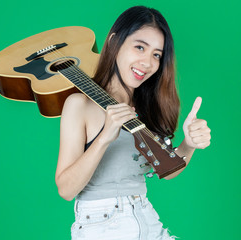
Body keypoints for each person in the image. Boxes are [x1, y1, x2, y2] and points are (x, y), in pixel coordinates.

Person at [55, 6, 211, 240]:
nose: (147, 62)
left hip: (147, 219)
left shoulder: (147, 109)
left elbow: (167, 170)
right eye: (140, 47)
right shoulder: (80, 104)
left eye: (156, 55)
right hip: (102, 226)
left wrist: (188, 145)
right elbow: (66, 189)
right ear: (114, 42)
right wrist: (105, 137)